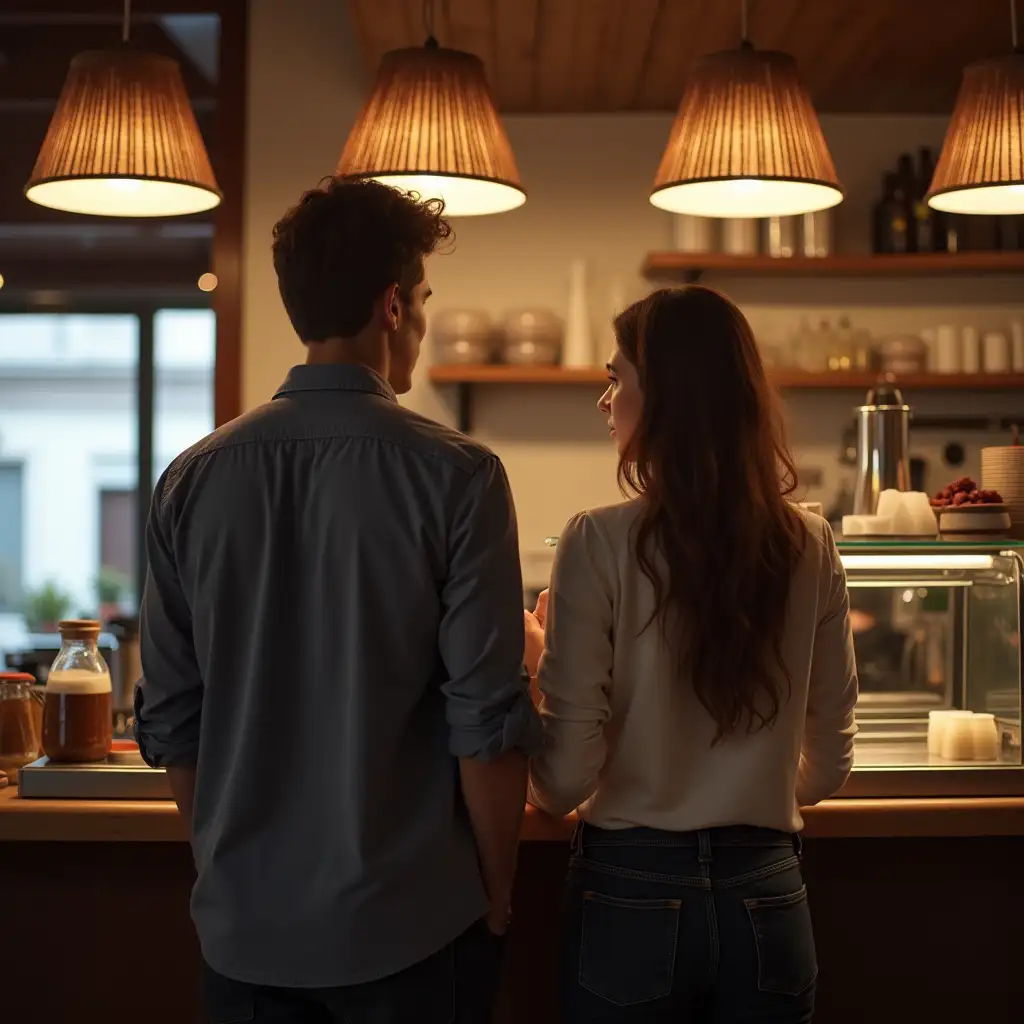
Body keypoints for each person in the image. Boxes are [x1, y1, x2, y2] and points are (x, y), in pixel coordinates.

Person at [135, 178, 541, 1024]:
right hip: (411, 932)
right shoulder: (460, 475)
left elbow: (173, 717)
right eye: (424, 299)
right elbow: (487, 722)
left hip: (243, 937)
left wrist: (231, 870)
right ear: (394, 307)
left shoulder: (190, 479)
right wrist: (499, 894)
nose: (424, 322)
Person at [524, 286, 858, 1023]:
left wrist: (538, 662)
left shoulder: (596, 541)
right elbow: (829, 766)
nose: (604, 401)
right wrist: (742, 794)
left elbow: (557, 784)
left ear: (667, 397)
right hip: (768, 894)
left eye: (617, 378)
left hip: (630, 894)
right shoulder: (811, 544)